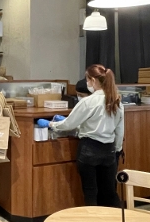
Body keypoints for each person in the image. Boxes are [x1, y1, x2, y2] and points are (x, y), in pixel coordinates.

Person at [50, 64, 124, 207]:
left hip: (89, 149)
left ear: (92, 80)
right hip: (109, 150)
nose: (87, 83)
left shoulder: (88, 102)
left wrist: (52, 125)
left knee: (90, 191)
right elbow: (120, 130)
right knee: (109, 191)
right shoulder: (117, 101)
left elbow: (68, 124)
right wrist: (117, 150)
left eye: (87, 80)